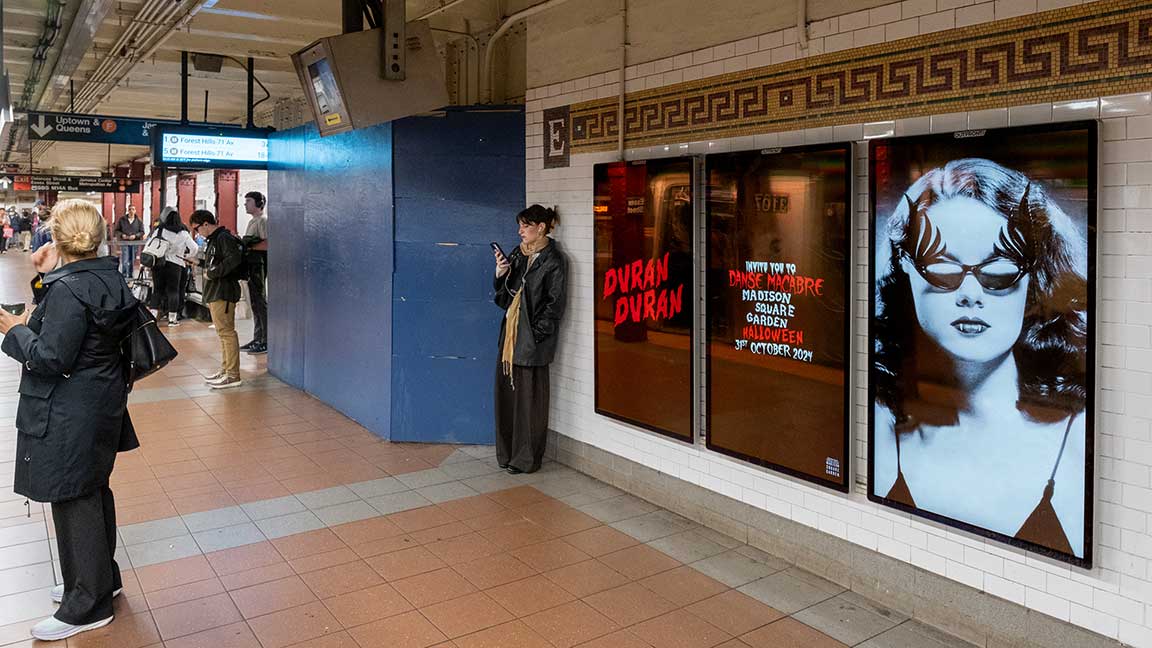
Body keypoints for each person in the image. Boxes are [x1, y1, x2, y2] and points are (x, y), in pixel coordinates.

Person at [871, 158, 1088, 558]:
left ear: (1034, 279)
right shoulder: (880, 423)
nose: (970, 294)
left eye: (999, 271)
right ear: (907, 270)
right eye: (942, 268)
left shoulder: (1078, 438)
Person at [0, 200, 139, 641]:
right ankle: (102, 579)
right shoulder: (110, 276)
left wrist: (13, 329)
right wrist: (44, 280)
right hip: (101, 403)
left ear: (55, 238)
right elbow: (79, 323)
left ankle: (87, 604)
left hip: (69, 410)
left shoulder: (67, 288)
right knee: (94, 491)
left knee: (72, 496)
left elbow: (51, 356)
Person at [492, 205, 567, 474]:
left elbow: (554, 305)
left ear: (541, 228)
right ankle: (507, 453)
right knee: (507, 396)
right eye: (520, 226)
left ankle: (526, 459)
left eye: (525, 226)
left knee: (529, 402)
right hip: (511, 337)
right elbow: (504, 298)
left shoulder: (554, 261)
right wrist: (501, 273)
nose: (519, 231)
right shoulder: (518, 254)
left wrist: (535, 337)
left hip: (531, 341)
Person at [189, 209, 244, 389]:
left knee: (227, 332)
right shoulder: (214, 240)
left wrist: (212, 273)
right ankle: (226, 369)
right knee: (222, 333)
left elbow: (233, 260)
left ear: (206, 224)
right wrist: (201, 263)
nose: (197, 233)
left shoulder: (223, 238)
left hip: (223, 291)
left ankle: (233, 374)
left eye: (197, 229)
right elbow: (217, 262)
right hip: (216, 291)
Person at [149, 207, 198, 327]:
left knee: (157, 291)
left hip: (159, 264)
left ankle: (152, 318)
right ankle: (172, 320)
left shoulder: (159, 230)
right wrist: (186, 256)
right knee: (173, 291)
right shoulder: (183, 232)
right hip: (176, 265)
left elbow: (149, 244)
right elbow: (195, 248)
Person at [240, 191, 268, 355]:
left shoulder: (263, 221)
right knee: (255, 303)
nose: (245, 204)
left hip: (259, 265)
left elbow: (267, 244)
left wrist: (248, 247)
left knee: (260, 302)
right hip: (251, 265)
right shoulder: (253, 221)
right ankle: (257, 337)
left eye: (249, 201)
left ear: (259, 203)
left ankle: (265, 339)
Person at [114, 204, 145, 278]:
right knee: (125, 259)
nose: (131, 211)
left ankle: (130, 276)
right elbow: (117, 230)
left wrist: (135, 236)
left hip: (135, 243)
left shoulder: (139, 221)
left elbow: (142, 232)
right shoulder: (122, 220)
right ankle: (124, 275)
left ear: (135, 211)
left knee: (132, 259)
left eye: (133, 209)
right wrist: (122, 235)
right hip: (124, 242)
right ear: (128, 210)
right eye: (130, 209)